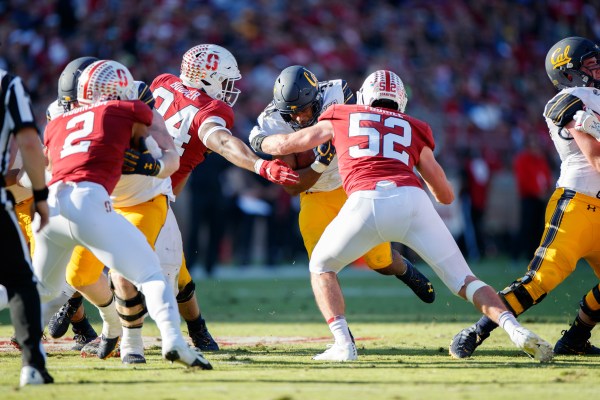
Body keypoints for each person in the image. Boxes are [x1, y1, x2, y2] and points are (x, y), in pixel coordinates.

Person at [256, 69, 554, 363]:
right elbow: (446, 196)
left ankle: (343, 344)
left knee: (321, 266)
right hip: (413, 200)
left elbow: (284, 145)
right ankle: (514, 330)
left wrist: (258, 144)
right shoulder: (416, 126)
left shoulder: (343, 115)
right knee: (466, 281)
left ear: (362, 97)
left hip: (365, 199)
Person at [33, 59, 212, 370]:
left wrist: (150, 164)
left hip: (141, 198)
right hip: (98, 202)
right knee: (78, 277)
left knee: (125, 271)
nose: (76, 106)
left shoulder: (130, 105)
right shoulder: (66, 113)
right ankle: (115, 327)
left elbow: (170, 157)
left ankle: (133, 343)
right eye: (70, 102)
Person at [449, 36, 600, 358]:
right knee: (541, 280)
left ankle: (575, 339)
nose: (597, 67)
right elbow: (596, 157)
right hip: (578, 205)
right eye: (590, 63)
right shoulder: (569, 100)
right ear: (570, 73)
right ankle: (477, 331)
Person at [149, 44, 299, 343]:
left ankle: (195, 329)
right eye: (225, 80)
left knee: (165, 266)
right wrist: (259, 166)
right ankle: (119, 334)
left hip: (132, 182)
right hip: (153, 193)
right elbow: (222, 142)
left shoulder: (162, 82)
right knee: (157, 270)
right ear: (207, 77)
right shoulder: (212, 109)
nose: (230, 89)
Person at [249, 65, 435, 304]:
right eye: (290, 113)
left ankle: (406, 271)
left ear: (316, 99)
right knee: (320, 264)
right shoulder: (272, 122)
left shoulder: (338, 94)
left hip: (353, 184)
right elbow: (292, 187)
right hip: (315, 192)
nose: (298, 118)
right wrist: (321, 162)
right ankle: (340, 332)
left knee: (379, 261)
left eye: (304, 110)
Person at [0, 68, 54, 386]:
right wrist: (41, 195)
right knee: (21, 281)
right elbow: (30, 143)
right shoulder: (7, 83)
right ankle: (32, 364)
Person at [512, 134, 553, 262]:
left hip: (540, 198)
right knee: (527, 227)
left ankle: (533, 255)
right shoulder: (522, 160)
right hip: (529, 198)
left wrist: (546, 191)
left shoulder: (540, 160)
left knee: (538, 228)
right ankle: (516, 255)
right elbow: (523, 180)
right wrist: (537, 193)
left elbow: (546, 176)